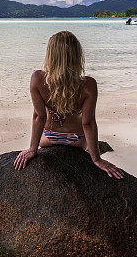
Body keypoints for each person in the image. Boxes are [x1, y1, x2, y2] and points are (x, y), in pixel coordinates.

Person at [13, 31, 124, 179]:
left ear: (50, 55)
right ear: (77, 55)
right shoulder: (88, 84)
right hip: (77, 140)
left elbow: (39, 116)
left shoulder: (38, 78)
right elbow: (88, 123)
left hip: (48, 138)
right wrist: (96, 159)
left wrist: (32, 149)